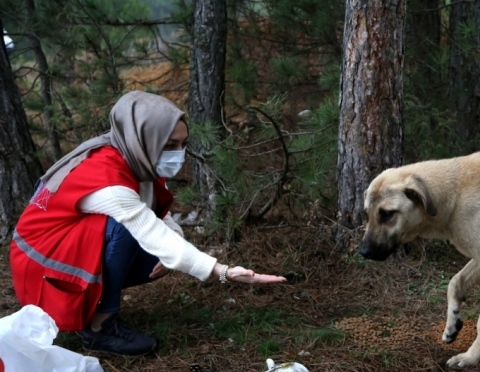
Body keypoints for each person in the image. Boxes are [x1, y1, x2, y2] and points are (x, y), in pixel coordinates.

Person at [9, 91, 286, 357]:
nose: (179, 153)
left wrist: (173, 242)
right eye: (169, 145)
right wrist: (222, 272)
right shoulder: (106, 176)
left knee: (159, 251)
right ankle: (99, 329)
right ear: (145, 137)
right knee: (128, 232)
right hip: (40, 265)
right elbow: (144, 223)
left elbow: (155, 214)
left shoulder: (134, 155)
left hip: (61, 248)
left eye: (182, 144)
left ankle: (96, 306)